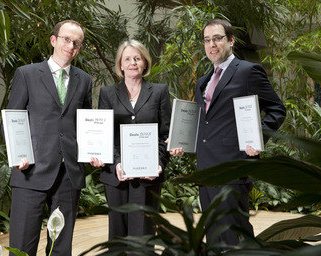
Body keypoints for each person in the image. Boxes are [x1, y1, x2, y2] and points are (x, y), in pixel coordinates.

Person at [174, 18, 286, 249]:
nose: (212, 44)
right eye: (207, 40)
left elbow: (277, 109)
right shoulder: (204, 81)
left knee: (234, 234)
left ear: (231, 40)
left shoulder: (248, 71)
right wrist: (181, 142)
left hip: (233, 168)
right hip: (206, 169)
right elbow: (203, 123)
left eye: (217, 38)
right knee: (214, 233)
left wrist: (258, 138)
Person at [6, 20, 92, 256]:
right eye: (66, 39)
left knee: (61, 248)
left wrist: (93, 151)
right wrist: (18, 154)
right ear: (53, 40)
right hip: (30, 170)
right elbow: (15, 118)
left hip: (68, 175)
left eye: (77, 42)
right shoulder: (27, 74)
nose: (71, 45)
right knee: (22, 246)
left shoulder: (84, 80)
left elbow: (85, 124)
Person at [90, 40, 171, 242]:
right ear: (120, 64)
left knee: (143, 236)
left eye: (137, 58)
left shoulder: (159, 91)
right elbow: (104, 134)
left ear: (144, 63)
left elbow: (165, 134)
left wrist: (159, 164)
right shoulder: (108, 93)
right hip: (116, 176)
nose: (133, 62)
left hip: (148, 176)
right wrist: (116, 161)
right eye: (127, 58)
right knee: (117, 235)